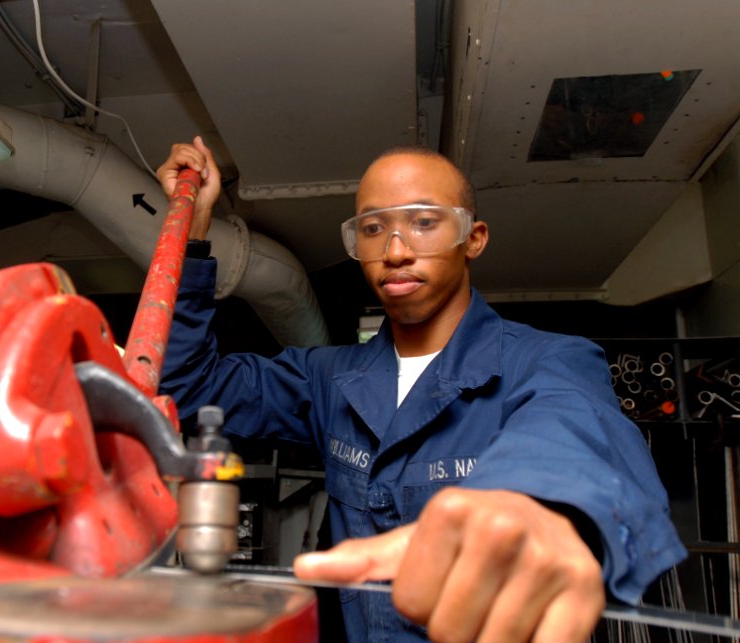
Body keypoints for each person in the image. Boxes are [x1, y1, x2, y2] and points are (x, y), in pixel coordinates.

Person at [156, 136, 686, 642]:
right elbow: (187, 385)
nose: (395, 250)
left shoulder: (546, 360)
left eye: (425, 223)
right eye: (372, 229)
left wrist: (535, 507)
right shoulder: (327, 379)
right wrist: (193, 231)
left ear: (472, 238)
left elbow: (574, 434)